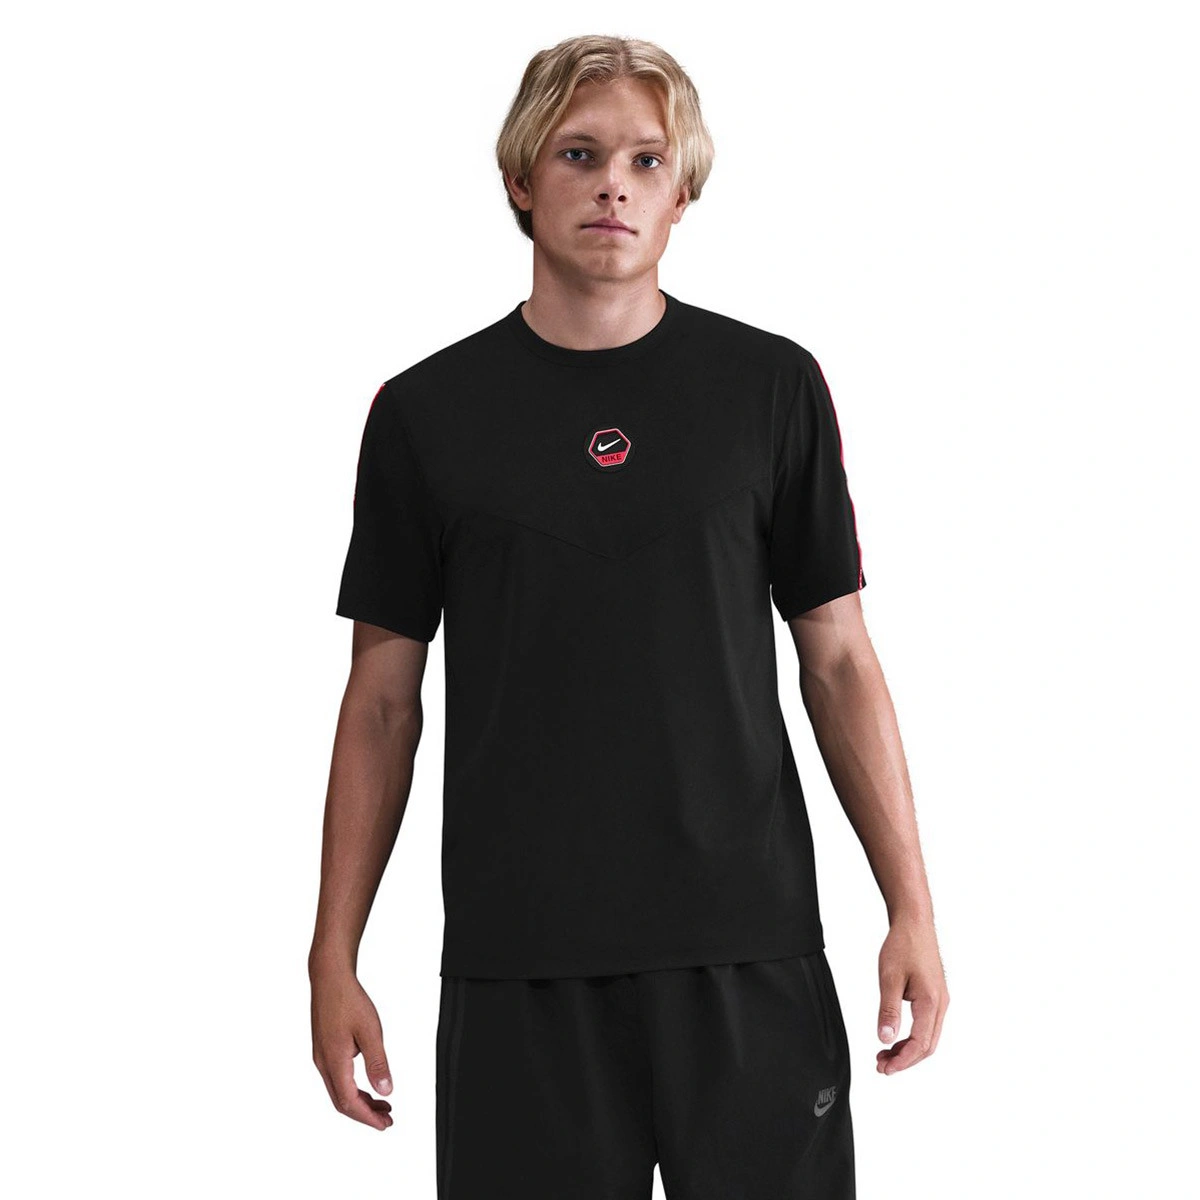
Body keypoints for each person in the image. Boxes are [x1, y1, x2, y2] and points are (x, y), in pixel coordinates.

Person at [309, 33, 948, 1200]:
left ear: (682, 192)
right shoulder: (426, 415)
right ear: (520, 178)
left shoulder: (768, 389)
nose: (614, 183)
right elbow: (382, 703)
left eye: (647, 160)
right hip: (522, 963)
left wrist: (912, 907)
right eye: (580, 153)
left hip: (747, 949)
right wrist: (331, 956)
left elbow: (841, 663)